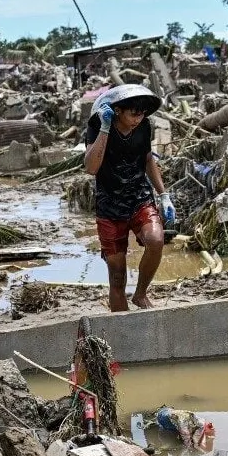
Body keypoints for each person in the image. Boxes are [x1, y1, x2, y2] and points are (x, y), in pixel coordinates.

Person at [85, 87, 175, 312]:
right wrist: (105, 129)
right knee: (117, 276)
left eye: (142, 114)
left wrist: (163, 194)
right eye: (133, 114)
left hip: (139, 197)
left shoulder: (144, 126)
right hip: (109, 204)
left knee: (155, 240)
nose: (139, 119)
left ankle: (141, 294)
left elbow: (147, 160)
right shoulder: (97, 126)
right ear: (117, 111)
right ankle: (122, 329)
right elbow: (91, 167)